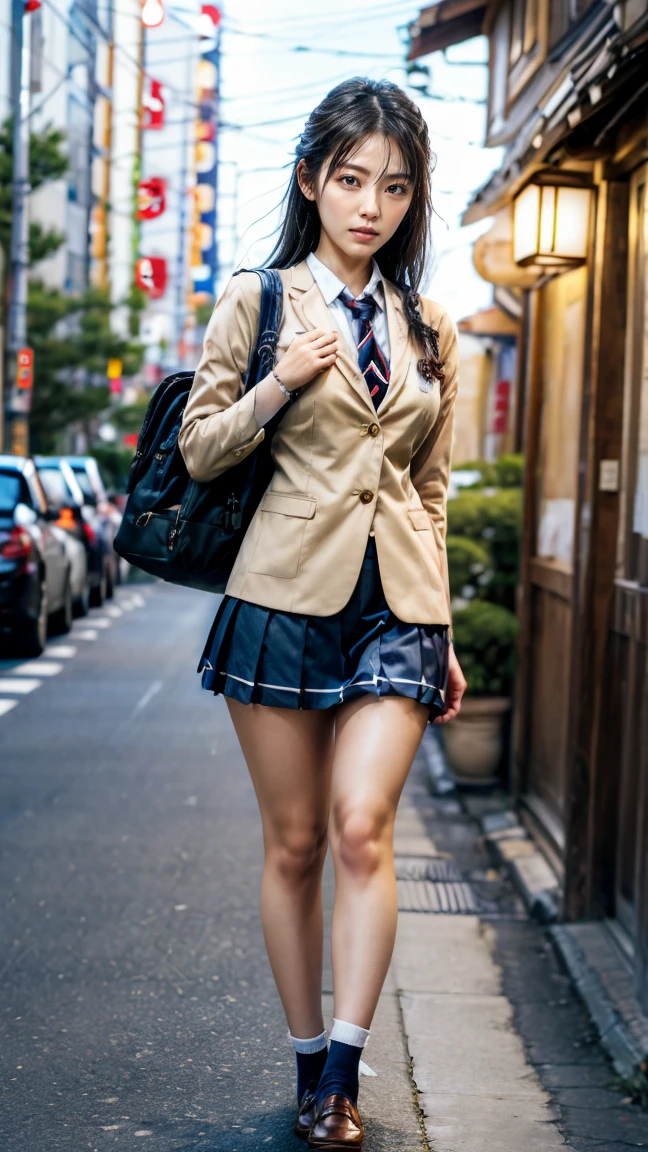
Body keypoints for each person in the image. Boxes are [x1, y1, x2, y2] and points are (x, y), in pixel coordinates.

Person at [178, 77, 467, 1150]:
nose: (371, 205)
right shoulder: (259, 303)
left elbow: (429, 489)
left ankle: (343, 1076)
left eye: (394, 186)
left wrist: (436, 624)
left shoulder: (431, 326)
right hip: (283, 596)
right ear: (312, 180)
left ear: (410, 200)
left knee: (361, 825)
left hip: (396, 607)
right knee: (295, 841)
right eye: (351, 179)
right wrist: (276, 386)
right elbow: (201, 447)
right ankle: (305, 1060)